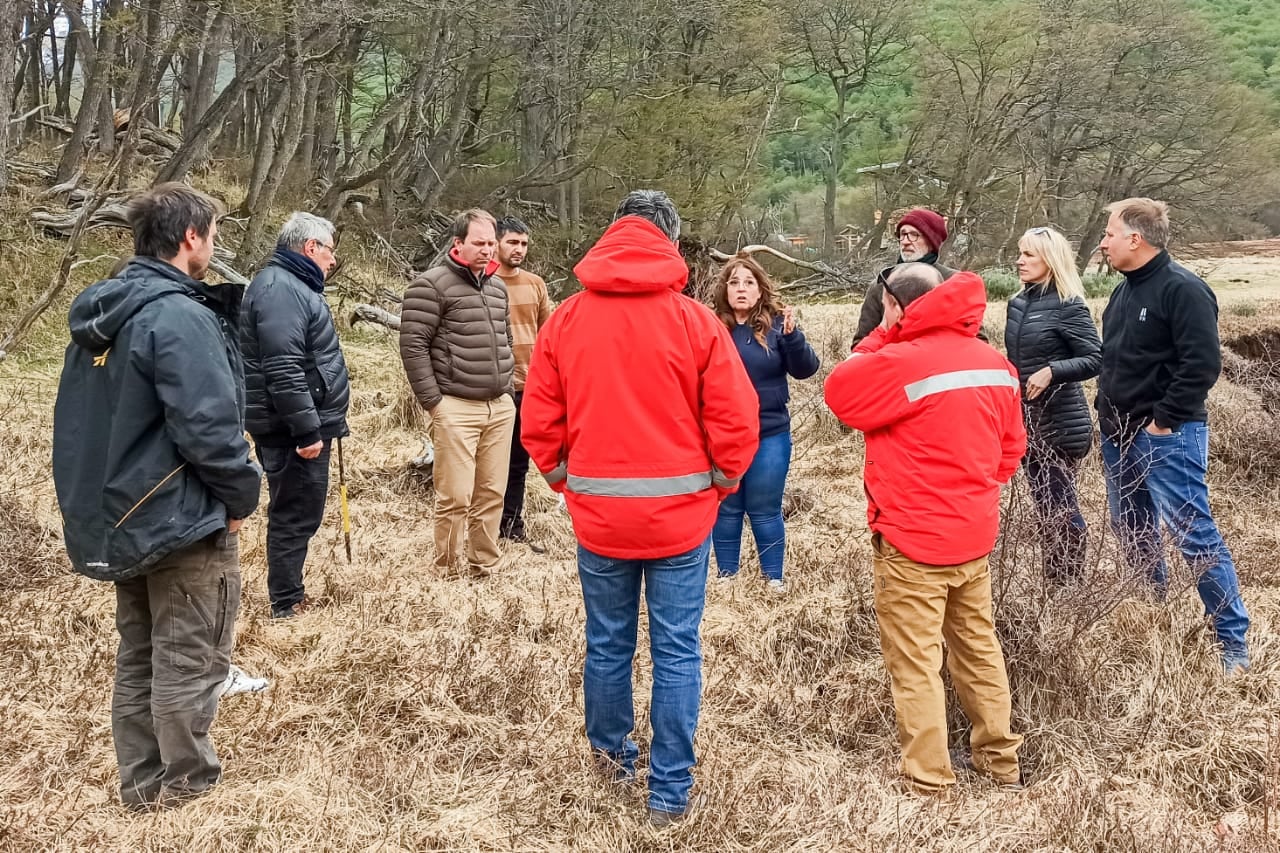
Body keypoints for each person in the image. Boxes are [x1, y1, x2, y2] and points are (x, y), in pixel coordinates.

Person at [520, 190, 758, 826]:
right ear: (672, 245)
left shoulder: (566, 319)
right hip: (683, 517)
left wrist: (566, 480)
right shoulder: (694, 322)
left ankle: (609, 758)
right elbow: (736, 420)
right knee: (677, 650)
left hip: (598, 516)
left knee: (607, 642)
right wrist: (720, 482)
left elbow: (540, 419)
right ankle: (669, 790)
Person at [51, 183, 262, 809]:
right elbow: (209, 427)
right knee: (190, 658)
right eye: (213, 234)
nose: (214, 246)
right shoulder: (178, 315)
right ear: (191, 237)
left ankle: (140, 787)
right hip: (179, 515)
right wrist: (241, 495)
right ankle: (184, 793)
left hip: (123, 512)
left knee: (140, 652)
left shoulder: (105, 312)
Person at [824, 264, 1026, 796]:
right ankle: (1000, 762)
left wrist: (887, 331)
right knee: (979, 649)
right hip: (974, 535)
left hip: (912, 541)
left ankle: (930, 780)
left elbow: (840, 394)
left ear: (895, 305)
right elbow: (1010, 453)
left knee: (915, 663)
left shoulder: (897, 361)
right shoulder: (996, 364)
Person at [1095, 197, 1250, 673]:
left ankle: (1233, 645)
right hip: (1118, 434)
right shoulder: (1124, 291)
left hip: (1167, 436)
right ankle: (1152, 616)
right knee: (1134, 529)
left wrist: (1162, 421)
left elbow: (1201, 365)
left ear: (1135, 239)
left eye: (1109, 233)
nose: (1103, 242)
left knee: (1194, 535)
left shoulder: (1183, 289)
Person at [240, 212, 350, 618]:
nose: (332, 260)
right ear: (310, 248)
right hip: (290, 430)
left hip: (299, 424)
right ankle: (286, 601)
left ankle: (289, 592)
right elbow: (283, 367)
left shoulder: (290, 286)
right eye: (329, 251)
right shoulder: (280, 290)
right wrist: (307, 431)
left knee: (301, 510)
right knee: (294, 513)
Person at [400, 209, 516, 578]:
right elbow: (413, 347)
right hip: (456, 407)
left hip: (499, 407)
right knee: (455, 497)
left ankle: (485, 563)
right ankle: (446, 569)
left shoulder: (498, 289)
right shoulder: (430, 286)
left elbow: (505, 341)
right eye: (478, 243)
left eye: (490, 243)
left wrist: (508, 392)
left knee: (492, 493)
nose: (486, 250)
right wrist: (435, 404)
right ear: (458, 244)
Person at [710, 255, 820, 591]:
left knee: (764, 508)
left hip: (769, 433)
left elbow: (806, 369)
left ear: (760, 290)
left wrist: (793, 338)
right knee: (727, 508)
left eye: (748, 283)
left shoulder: (776, 327)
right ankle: (727, 578)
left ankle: (773, 579)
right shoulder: (712, 327)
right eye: (734, 283)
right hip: (721, 436)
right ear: (725, 290)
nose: (741, 289)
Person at [1004, 226, 1101, 584]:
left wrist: (1052, 371)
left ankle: (1069, 585)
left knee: (1061, 508)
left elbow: (1095, 357)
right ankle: (1054, 582)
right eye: (1019, 252)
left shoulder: (1068, 304)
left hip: (1061, 423)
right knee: (1045, 505)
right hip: (1027, 421)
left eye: (1029, 254)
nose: (1019, 260)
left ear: (1050, 259)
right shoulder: (1018, 303)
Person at [495, 216, 554, 554]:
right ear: (498, 243)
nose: (519, 249)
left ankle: (512, 526)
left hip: (528, 387)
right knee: (488, 462)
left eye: (524, 244)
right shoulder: (484, 280)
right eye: (512, 242)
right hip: (492, 386)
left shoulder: (535, 284)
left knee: (519, 462)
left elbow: (547, 334)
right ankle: (484, 525)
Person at [852, 207, 956, 346]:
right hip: (892, 364)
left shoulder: (953, 282)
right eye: (903, 234)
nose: (906, 241)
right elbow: (861, 342)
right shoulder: (882, 284)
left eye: (914, 234)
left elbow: (975, 338)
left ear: (931, 241)